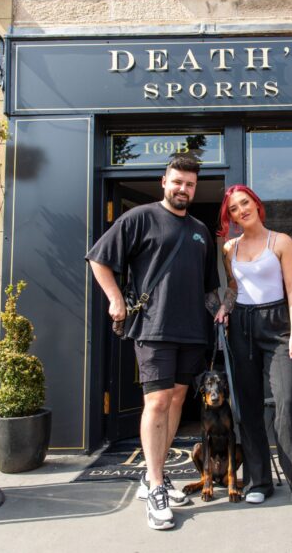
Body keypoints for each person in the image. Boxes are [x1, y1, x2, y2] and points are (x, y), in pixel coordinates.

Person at [86, 156, 220, 531]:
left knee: (177, 400)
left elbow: (209, 287)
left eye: (190, 184)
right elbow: (99, 259)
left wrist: (218, 311)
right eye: (177, 182)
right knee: (157, 401)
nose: (183, 189)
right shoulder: (139, 218)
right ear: (164, 182)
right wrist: (115, 299)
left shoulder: (200, 231)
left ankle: (152, 477)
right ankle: (158, 484)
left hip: (192, 330)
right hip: (152, 327)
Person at [213, 184, 292, 513]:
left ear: (256, 204)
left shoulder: (281, 241)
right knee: (248, 407)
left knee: (286, 403)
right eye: (233, 209)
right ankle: (259, 481)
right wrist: (226, 308)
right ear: (230, 217)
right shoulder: (229, 248)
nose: (241, 210)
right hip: (241, 326)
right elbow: (233, 287)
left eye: (245, 203)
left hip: (277, 325)